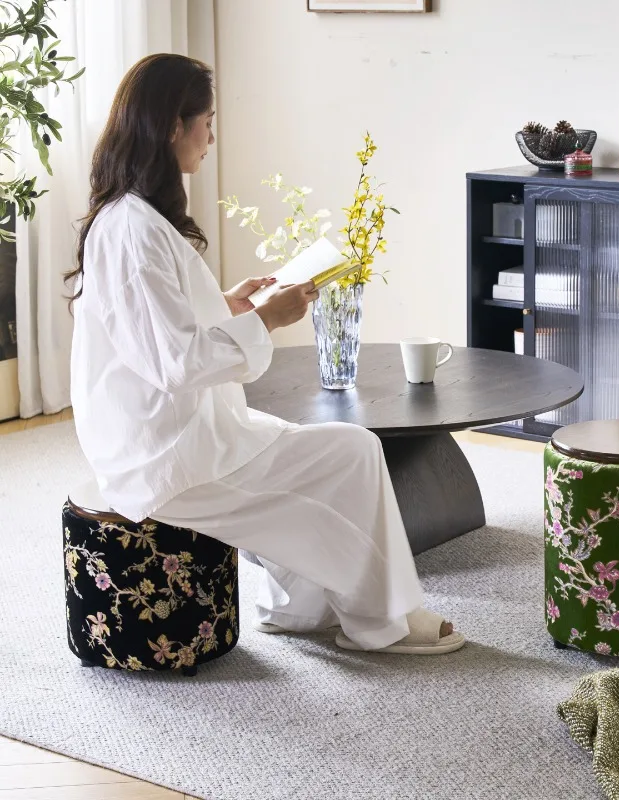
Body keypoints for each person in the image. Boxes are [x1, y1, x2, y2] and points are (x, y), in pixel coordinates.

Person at [66, 53, 464, 656]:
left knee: (349, 449)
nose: (213, 135)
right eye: (207, 120)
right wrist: (267, 320)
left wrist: (230, 303)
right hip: (164, 455)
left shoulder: (135, 219)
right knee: (349, 453)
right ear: (174, 125)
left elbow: (155, 330)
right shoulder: (134, 229)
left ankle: (302, 609)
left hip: (181, 433)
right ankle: (382, 623)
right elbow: (174, 364)